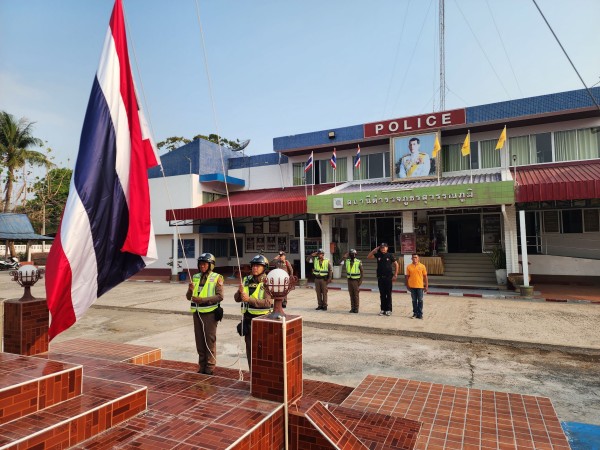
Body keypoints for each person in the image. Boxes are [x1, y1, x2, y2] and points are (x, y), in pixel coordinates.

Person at [186, 253, 224, 375]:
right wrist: (190, 290)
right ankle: (202, 366)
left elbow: (220, 296)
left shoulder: (217, 277)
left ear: (211, 265)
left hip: (210, 313)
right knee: (199, 341)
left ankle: (210, 368)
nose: (202, 266)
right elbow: (188, 297)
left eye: (205, 264)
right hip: (197, 313)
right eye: (200, 264)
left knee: (209, 341)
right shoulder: (195, 277)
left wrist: (202, 300)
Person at [234, 254, 273, 369]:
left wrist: (249, 300)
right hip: (248, 320)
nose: (255, 268)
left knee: (262, 350)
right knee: (250, 350)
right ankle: (252, 374)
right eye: (253, 266)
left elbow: (268, 302)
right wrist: (239, 292)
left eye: (258, 266)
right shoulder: (246, 280)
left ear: (264, 268)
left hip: (262, 321)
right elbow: (237, 299)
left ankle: (262, 373)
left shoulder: (267, 281)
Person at [367, 243, 398, 316]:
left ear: (387, 248)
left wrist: (395, 274)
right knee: (382, 294)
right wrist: (374, 250)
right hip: (380, 277)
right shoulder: (378, 255)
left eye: (384, 247)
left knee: (388, 294)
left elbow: (396, 264)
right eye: (381, 248)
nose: (383, 249)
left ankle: (389, 309)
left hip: (388, 277)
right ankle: (383, 309)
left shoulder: (390, 255)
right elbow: (368, 257)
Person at [405, 254, 428, 319]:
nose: (414, 258)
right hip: (412, 286)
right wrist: (407, 285)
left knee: (420, 300)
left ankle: (420, 314)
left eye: (416, 257)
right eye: (413, 257)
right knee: (414, 300)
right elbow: (407, 277)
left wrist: (426, 286)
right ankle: (415, 313)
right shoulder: (409, 266)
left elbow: (425, 277)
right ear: (411, 259)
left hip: (420, 286)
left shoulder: (422, 266)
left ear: (418, 258)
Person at [340, 249, 363, 313]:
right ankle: (352, 308)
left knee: (356, 295)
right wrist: (344, 257)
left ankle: (356, 308)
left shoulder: (358, 262)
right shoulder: (347, 261)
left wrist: (360, 281)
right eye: (351, 254)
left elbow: (362, 272)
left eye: (354, 254)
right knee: (351, 294)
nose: (353, 255)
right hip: (349, 280)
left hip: (356, 280)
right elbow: (339, 263)